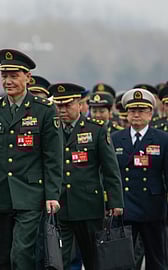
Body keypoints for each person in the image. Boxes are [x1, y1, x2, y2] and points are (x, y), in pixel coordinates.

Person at [0, 49, 63, 270]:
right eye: (4, 76)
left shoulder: (43, 110)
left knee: (22, 253)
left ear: (28, 77)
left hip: (30, 194)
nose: (8, 81)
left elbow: (53, 156)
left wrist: (52, 194)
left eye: (14, 75)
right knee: (2, 256)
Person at [50, 83, 124, 270]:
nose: (62, 110)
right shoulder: (51, 130)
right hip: (61, 206)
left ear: (80, 104)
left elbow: (110, 169)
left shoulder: (96, 130)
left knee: (94, 259)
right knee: (59, 261)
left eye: (67, 105)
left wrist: (115, 202)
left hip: (89, 206)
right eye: (59, 106)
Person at [111, 88, 168, 269]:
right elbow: (110, 174)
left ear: (150, 113)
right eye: (132, 110)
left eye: (141, 110)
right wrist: (111, 203)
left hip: (152, 206)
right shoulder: (115, 138)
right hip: (125, 206)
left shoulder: (162, 139)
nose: (136, 115)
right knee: (122, 260)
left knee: (156, 259)